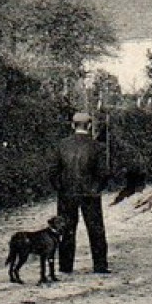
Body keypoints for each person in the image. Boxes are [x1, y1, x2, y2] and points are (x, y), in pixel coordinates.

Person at [52, 111, 111, 274]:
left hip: (67, 194)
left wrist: (61, 188)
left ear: (72, 125)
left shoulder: (62, 145)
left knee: (66, 229)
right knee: (96, 229)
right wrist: (97, 189)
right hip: (90, 194)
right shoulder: (97, 146)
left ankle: (65, 267)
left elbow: (53, 171)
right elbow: (104, 173)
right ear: (90, 126)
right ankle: (100, 266)